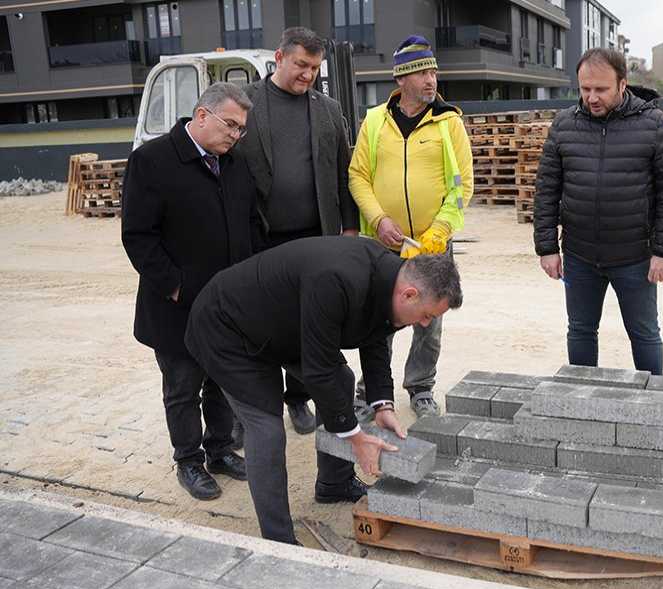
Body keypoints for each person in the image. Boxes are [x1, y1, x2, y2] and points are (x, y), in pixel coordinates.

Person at [184, 238, 463, 544]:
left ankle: (334, 483)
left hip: (285, 324)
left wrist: (382, 406)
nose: (423, 324)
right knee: (266, 428)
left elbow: (375, 338)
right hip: (228, 326)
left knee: (341, 380)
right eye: (427, 315)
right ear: (409, 294)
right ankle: (279, 540)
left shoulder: (389, 278)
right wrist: (355, 437)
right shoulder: (338, 279)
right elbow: (318, 372)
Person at [121, 82, 260, 501]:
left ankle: (220, 450)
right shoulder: (152, 161)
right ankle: (188, 460)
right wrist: (176, 287)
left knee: (220, 381)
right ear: (202, 115)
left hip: (226, 303)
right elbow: (138, 236)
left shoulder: (234, 163)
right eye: (230, 125)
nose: (236, 135)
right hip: (176, 306)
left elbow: (250, 223)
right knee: (183, 388)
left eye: (241, 129)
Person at [236, 26, 360, 440]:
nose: (308, 74)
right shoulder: (246, 102)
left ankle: (299, 397)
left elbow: (342, 173)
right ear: (279, 57)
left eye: (315, 68)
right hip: (260, 239)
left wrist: (348, 229)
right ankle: (254, 407)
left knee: (311, 324)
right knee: (260, 326)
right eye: (301, 65)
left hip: (314, 239)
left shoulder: (328, 110)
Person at [533, 47, 663, 376]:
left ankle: (653, 397)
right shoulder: (564, 125)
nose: (592, 98)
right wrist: (547, 247)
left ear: (622, 84)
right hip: (579, 255)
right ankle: (583, 395)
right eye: (585, 89)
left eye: (601, 89)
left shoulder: (653, 124)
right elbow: (546, 189)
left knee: (644, 333)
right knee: (580, 330)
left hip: (635, 256)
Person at [348, 34, 472, 418]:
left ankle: (420, 386)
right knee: (378, 318)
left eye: (433, 72)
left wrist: (440, 230)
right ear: (401, 79)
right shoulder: (374, 121)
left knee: (428, 322)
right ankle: (371, 388)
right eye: (421, 73)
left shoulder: (448, 122)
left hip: (432, 245)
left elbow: (462, 185)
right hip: (384, 243)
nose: (431, 80)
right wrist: (378, 219)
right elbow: (358, 176)